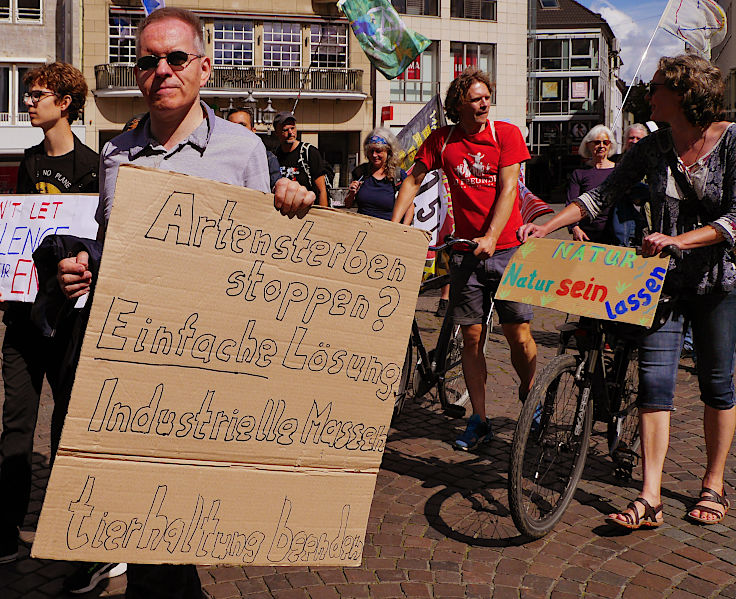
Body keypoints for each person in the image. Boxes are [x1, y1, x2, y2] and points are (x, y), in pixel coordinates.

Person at [57, 8, 314, 598]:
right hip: (138, 361)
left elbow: (269, 259)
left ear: (203, 66)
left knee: (185, 526)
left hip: (216, 361)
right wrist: (86, 269)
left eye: (175, 58)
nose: (161, 71)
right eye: (148, 61)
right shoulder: (117, 154)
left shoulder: (244, 149)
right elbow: (113, 244)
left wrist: (295, 204)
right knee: (151, 538)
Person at [519, 54, 736, 530]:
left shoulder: (731, 142)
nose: (647, 92)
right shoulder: (654, 147)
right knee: (655, 386)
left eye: (656, 86)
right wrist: (546, 226)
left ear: (682, 95)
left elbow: (735, 219)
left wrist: (680, 239)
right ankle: (650, 496)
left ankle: (713, 483)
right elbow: (602, 194)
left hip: (718, 283)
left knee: (717, 383)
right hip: (661, 284)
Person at [392, 67, 537, 451]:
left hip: (506, 250)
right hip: (464, 254)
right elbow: (411, 180)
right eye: (475, 98)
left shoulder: (506, 134)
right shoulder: (442, 141)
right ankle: (480, 418)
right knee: (471, 337)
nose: (484, 103)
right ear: (459, 104)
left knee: (518, 335)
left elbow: (508, 190)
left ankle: (531, 391)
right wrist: (393, 227)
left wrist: (491, 236)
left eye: (486, 96)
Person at [0, 63, 107, 568]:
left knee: (69, 427)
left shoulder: (94, 166)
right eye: (27, 94)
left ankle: (74, 533)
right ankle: (5, 531)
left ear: (65, 102)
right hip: (23, 316)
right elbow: (20, 237)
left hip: (70, 321)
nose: (28, 101)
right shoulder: (26, 163)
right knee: (16, 425)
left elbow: (98, 240)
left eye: (36, 93)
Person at [567, 125, 617, 243]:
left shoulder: (618, 171)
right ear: (588, 145)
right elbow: (571, 203)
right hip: (586, 235)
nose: (601, 146)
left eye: (606, 142)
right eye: (597, 142)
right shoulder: (580, 173)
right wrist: (574, 227)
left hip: (615, 235)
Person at [345, 127, 407, 220]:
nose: (374, 155)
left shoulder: (398, 175)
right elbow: (348, 205)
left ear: (388, 152)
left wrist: (404, 230)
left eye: (378, 151)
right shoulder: (360, 172)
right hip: (363, 229)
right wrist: (351, 193)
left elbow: (409, 207)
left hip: (388, 230)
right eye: (371, 151)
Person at [273, 111, 329, 206]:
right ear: (277, 133)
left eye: (293, 128)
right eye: (285, 130)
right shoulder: (275, 156)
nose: (291, 133)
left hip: (308, 211)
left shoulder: (309, 152)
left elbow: (322, 190)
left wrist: (323, 217)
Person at [228, 108, 281, 191]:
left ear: (253, 131)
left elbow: (276, 189)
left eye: (242, 125)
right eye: (232, 125)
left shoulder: (268, 158)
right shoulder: (219, 156)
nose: (237, 129)